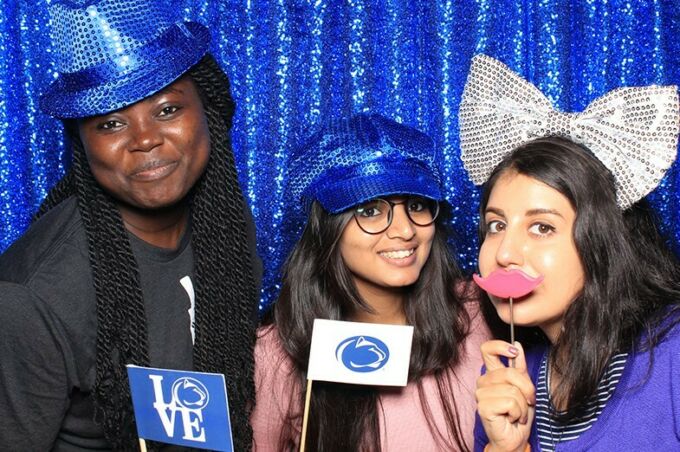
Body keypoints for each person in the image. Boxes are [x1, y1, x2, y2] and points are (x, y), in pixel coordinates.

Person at [0, 0, 261, 450]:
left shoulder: (227, 227)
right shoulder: (32, 296)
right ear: (82, 144)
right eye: (111, 122)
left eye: (166, 110)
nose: (144, 139)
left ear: (210, 110)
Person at [459, 54, 680, 451]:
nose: (505, 253)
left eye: (542, 228)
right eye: (496, 225)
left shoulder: (673, 356)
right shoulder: (506, 378)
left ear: (606, 240)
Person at [251, 113, 490, 451]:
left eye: (417, 205)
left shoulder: (480, 313)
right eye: (370, 210)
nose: (405, 230)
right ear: (327, 227)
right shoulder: (277, 352)